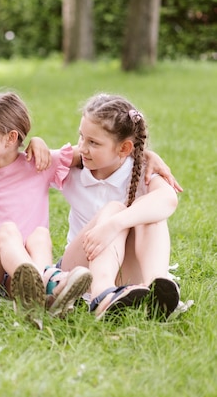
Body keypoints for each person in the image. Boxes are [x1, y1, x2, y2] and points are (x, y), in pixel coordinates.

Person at [0, 91, 93, 322]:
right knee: (8, 232)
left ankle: (40, 290)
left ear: (11, 138)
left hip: (20, 276)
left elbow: (99, 152)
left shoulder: (39, 163)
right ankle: (50, 285)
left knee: (40, 235)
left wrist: (148, 157)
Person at [58, 93, 180, 320]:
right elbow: (18, 160)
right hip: (79, 269)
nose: (82, 147)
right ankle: (101, 295)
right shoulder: (72, 168)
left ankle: (158, 287)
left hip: (126, 271)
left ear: (124, 148)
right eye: (81, 137)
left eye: (93, 142)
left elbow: (168, 199)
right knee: (115, 207)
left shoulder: (141, 171)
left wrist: (115, 224)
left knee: (148, 212)